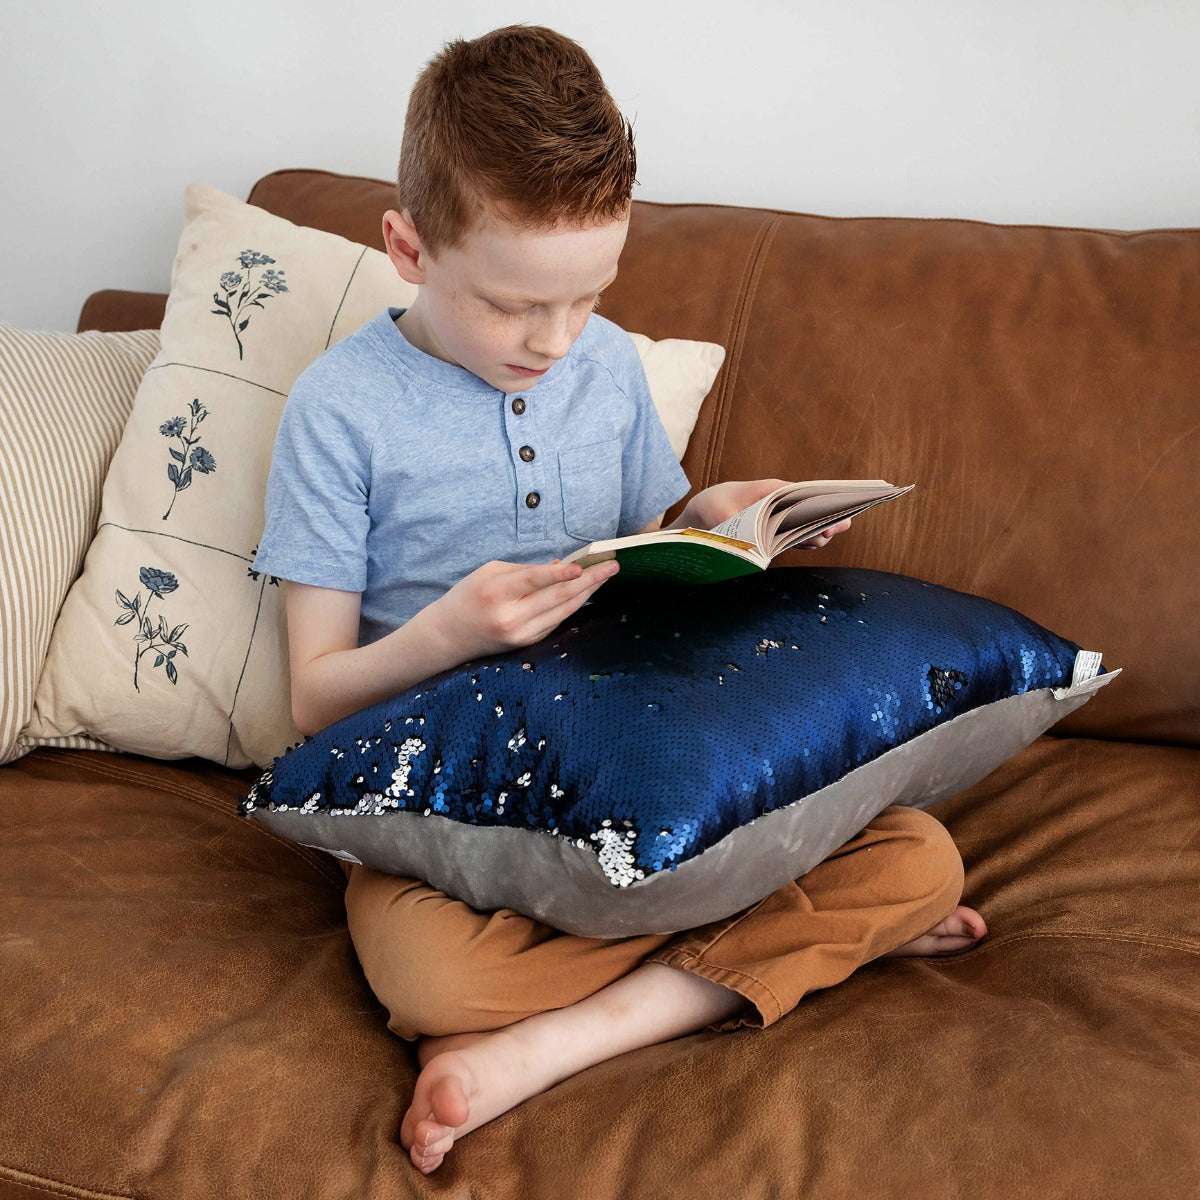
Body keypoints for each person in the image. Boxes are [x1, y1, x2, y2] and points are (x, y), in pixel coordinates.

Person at [253, 24, 987, 1176]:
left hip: (647, 759)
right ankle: (747, 959)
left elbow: (656, 544)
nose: (553, 340)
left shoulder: (604, 369)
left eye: (587, 298)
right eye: (511, 306)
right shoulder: (338, 415)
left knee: (924, 858)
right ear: (406, 246)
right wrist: (453, 631)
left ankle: (564, 1036)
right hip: (458, 813)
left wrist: (721, 522)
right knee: (431, 978)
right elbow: (312, 698)